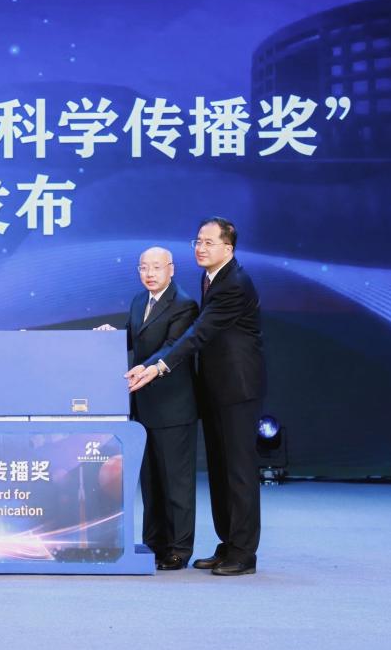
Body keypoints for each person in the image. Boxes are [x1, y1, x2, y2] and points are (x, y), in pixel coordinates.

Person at [128, 217, 266, 576]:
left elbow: (198, 334)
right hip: (216, 389)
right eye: (198, 242)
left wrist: (158, 366)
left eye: (209, 242)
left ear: (228, 248)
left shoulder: (234, 283)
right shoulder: (212, 279)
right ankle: (228, 545)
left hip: (238, 389)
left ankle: (243, 553)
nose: (201, 248)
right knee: (220, 471)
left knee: (238, 473)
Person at [96, 247, 198, 570]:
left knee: (176, 483)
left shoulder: (184, 304)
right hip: (143, 405)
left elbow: (172, 348)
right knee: (151, 482)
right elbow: (134, 338)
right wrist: (112, 337)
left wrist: (146, 368)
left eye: (156, 267)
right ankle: (154, 544)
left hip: (173, 406)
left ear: (171, 269)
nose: (149, 273)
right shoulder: (140, 300)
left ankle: (179, 549)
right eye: (144, 267)